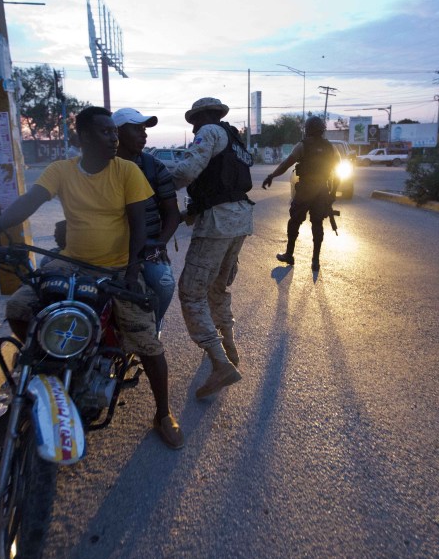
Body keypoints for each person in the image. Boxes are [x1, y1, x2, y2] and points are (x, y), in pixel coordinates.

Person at [0, 106, 183, 449]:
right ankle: (43, 375)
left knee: (148, 344)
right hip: (70, 262)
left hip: (115, 267)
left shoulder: (127, 171)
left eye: (114, 132)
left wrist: (130, 271)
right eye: (105, 132)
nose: (113, 138)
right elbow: (29, 201)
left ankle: (163, 413)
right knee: (20, 308)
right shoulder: (61, 171)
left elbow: (139, 225)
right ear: (82, 137)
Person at [170, 97, 252, 399]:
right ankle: (228, 347)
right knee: (217, 288)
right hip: (240, 219)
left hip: (219, 223)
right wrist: (181, 215)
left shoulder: (210, 132)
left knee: (191, 292)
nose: (193, 129)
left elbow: (188, 170)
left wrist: (154, 180)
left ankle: (220, 363)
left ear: (204, 116)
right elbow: (218, 186)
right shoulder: (234, 140)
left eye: (194, 121)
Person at [111, 107, 180, 335]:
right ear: (117, 132)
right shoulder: (103, 166)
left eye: (144, 129)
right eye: (137, 129)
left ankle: (152, 328)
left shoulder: (153, 167)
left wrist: (159, 244)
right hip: (109, 246)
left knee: (163, 283)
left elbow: (172, 214)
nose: (144, 135)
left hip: (148, 245)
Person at [261, 115, 339, 272]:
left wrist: (271, 176)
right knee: (317, 224)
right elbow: (336, 173)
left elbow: (285, 164)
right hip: (322, 190)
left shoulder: (303, 146)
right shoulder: (331, 148)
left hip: (305, 190)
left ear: (308, 130)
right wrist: (332, 194)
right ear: (322, 130)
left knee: (294, 222)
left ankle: (289, 254)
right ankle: (315, 261)